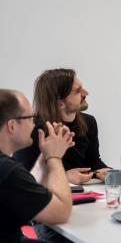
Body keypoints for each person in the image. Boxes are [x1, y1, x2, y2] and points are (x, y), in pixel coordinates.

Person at [0, 89, 74, 242]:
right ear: (12, 126)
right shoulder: (7, 170)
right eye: (30, 118)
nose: (35, 124)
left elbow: (27, 189)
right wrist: (54, 158)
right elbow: (61, 213)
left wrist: (45, 155)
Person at [14, 68, 110, 185]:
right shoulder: (31, 129)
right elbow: (19, 178)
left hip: (83, 195)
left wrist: (111, 173)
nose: (86, 93)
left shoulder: (89, 122)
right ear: (60, 103)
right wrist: (65, 176)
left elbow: (93, 161)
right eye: (77, 91)